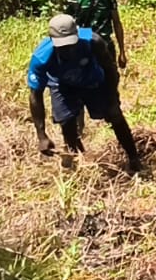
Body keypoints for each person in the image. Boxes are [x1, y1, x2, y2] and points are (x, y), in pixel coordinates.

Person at [27, 14, 143, 173]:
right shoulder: (41, 58)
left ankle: (134, 158)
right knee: (66, 121)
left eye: (71, 44)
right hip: (63, 85)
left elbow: (110, 70)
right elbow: (35, 95)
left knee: (115, 115)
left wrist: (112, 98)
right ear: (52, 40)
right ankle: (77, 159)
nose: (67, 50)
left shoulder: (93, 41)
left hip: (93, 81)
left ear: (77, 35)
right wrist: (41, 135)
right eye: (62, 46)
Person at [66, 0, 127, 72]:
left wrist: (122, 51)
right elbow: (66, 27)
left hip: (105, 45)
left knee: (109, 80)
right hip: (82, 46)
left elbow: (117, 23)